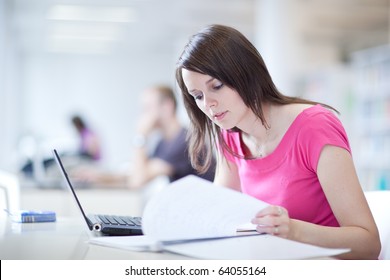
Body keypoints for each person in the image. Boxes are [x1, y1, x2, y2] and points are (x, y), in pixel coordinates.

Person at [175, 24, 380, 259]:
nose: (208, 104)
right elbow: (219, 221)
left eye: (217, 86)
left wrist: (294, 230)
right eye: (198, 96)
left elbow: (369, 244)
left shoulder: (314, 126)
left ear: (245, 73)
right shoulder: (230, 136)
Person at [76, 85, 214, 188]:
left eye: (147, 108)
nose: (143, 115)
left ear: (167, 107)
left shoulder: (184, 141)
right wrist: (98, 176)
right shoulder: (164, 142)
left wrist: (140, 136)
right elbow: (136, 174)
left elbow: (138, 180)